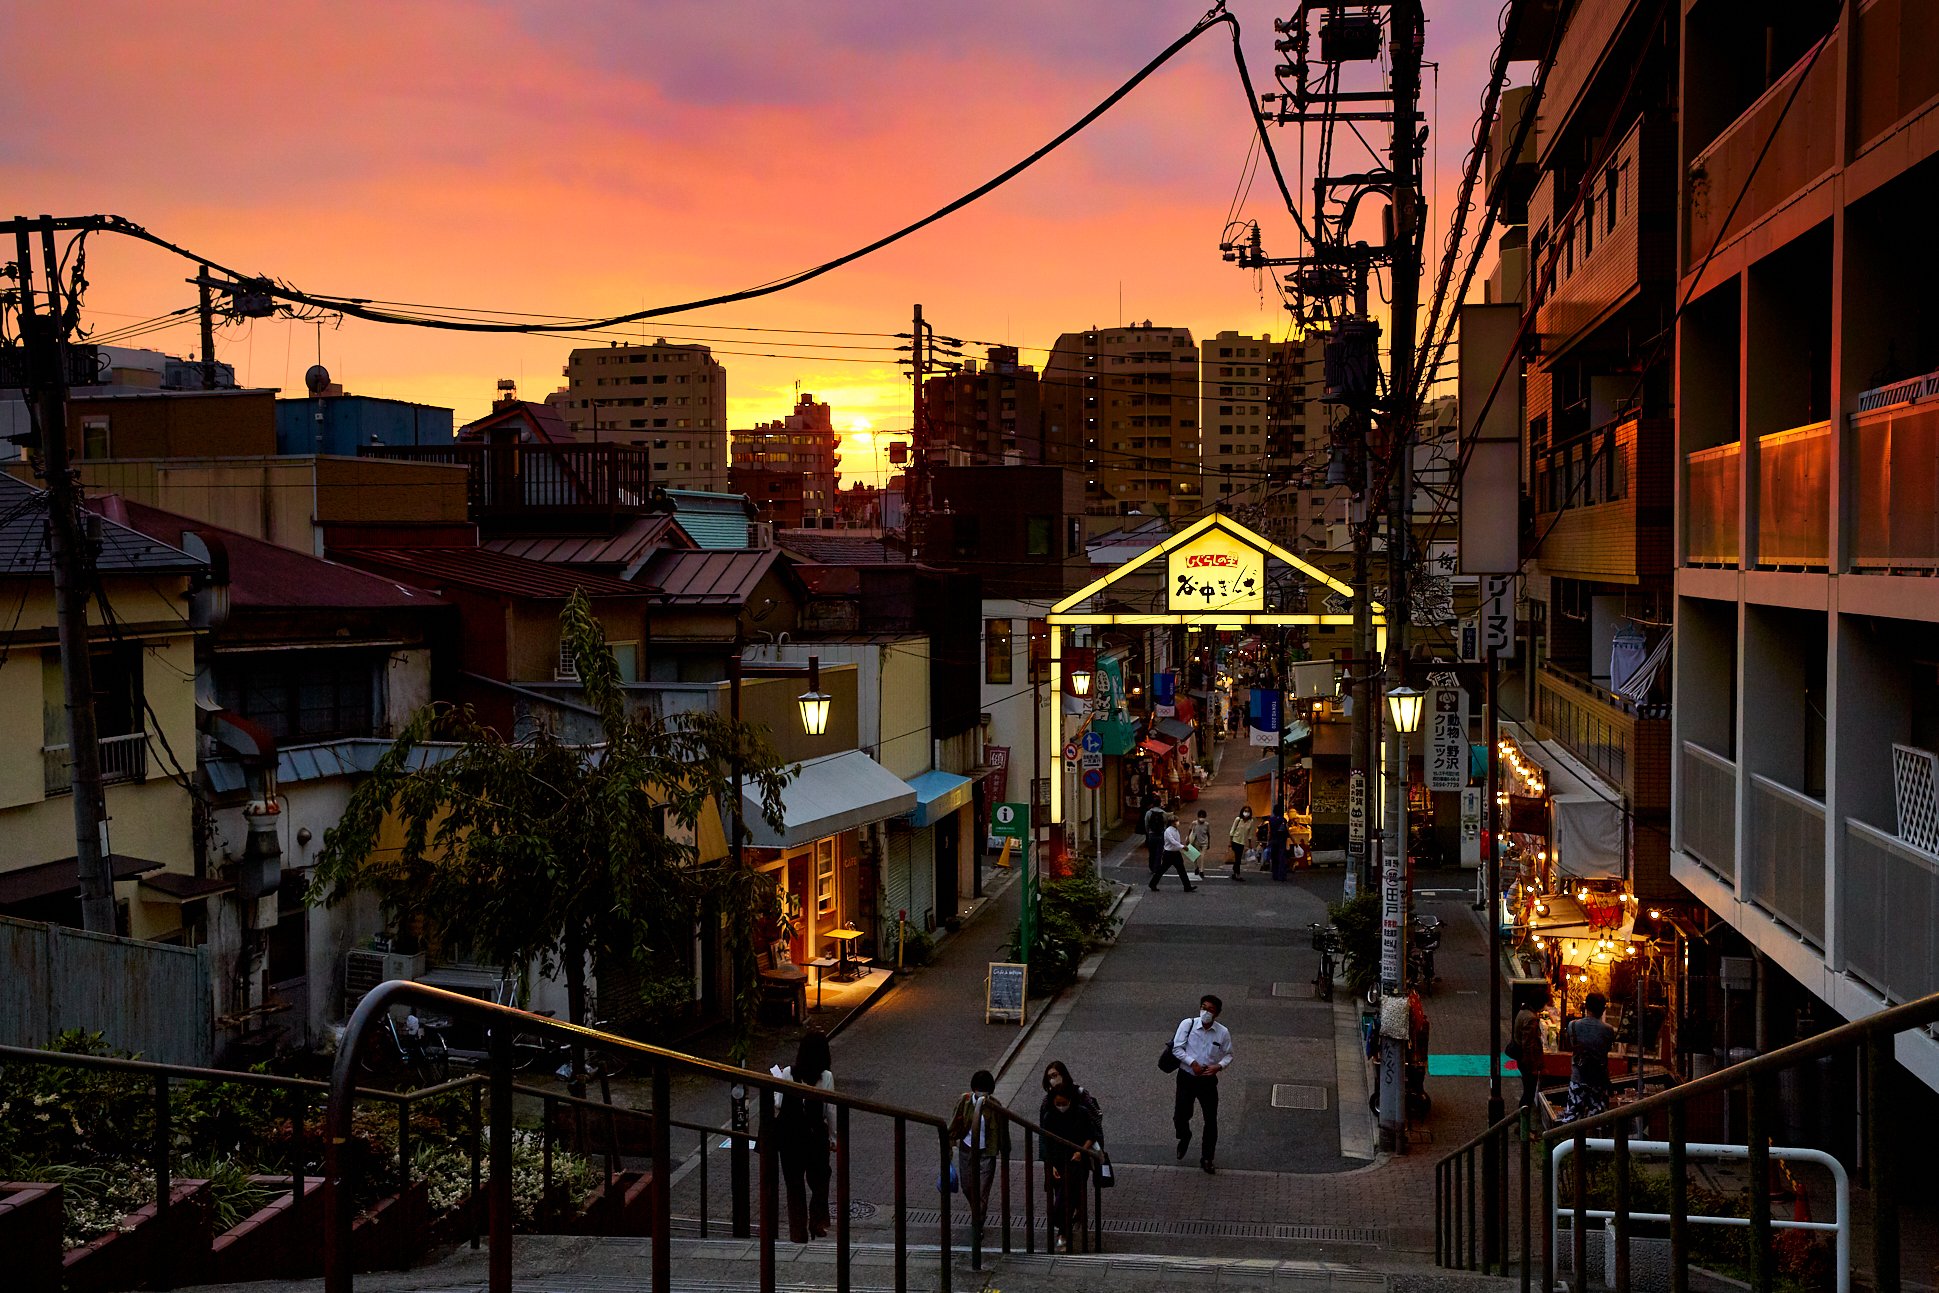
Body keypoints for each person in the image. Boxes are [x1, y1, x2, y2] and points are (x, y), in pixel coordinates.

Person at [770, 1028, 836, 1242]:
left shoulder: (788, 1073)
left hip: (790, 1138)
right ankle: (817, 1221)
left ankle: (797, 1232)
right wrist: (834, 1138)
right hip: (815, 1137)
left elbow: (778, 1103)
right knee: (821, 1180)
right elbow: (830, 1110)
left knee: (794, 1185)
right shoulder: (826, 1077)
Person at [1169, 993, 1233, 1173]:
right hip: (1187, 1077)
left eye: (1210, 1010)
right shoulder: (1187, 1025)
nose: (1206, 1012)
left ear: (1217, 1014)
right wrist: (1192, 1063)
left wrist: (1218, 1067)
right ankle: (1185, 1135)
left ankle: (1207, 1158)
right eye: (1204, 1007)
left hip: (1207, 1080)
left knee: (1210, 1120)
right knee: (1180, 1115)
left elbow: (1229, 1054)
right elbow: (1177, 1048)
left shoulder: (1222, 1032)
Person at [948, 1069, 1009, 1251]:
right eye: (980, 1089)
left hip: (986, 1152)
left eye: (986, 1091)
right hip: (967, 1149)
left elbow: (1003, 1132)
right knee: (968, 1186)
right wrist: (949, 1140)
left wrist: (1005, 1150)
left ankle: (978, 1224)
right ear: (973, 1088)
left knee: (982, 1191)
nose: (983, 1094)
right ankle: (977, 1213)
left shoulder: (995, 1106)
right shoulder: (965, 1101)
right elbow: (954, 1121)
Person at [1040, 1080, 1100, 1252]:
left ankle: (1062, 1232)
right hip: (1057, 1161)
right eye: (1057, 1104)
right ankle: (1063, 1231)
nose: (1061, 1106)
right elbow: (1047, 1141)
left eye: (1063, 1103)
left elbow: (1091, 1135)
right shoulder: (1049, 1116)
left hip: (1077, 1162)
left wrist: (1082, 1151)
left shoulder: (1080, 1113)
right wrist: (1050, 1165)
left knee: (1068, 1196)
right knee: (1061, 1195)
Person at [1563, 992, 1617, 1121]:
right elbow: (1607, 1049)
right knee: (1598, 1119)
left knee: (1572, 1117)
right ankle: (1594, 1140)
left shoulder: (1573, 1026)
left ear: (1586, 1007)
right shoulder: (1608, 1030)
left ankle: (1571, 1141)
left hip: (1578, 1078)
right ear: (1603, 1009)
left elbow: (1569, 1045)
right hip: (1598, 1080)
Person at [1512, 989, 1550, 1115]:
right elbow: (1528, 1045)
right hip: (1527, 1062)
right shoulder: (1531, 1018)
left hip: (1523, 1060)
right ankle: (1523, 1123)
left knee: (1527, 1092)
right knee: (1528, 1094)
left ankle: (1523, 1123)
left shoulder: (1523, 1012)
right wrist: (1534, 1066)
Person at [1151, 812, 1195, 892]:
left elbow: (1177, 841)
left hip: (1176, 853)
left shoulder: (1175, 830)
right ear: (1172, 822)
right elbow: (1172, 841)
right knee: (1162, 870)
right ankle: (1152, 884)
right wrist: (1182, 847)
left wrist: (1181, 845)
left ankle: (1187, 886)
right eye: (1176, 821)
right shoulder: (1168, 831)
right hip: (1169, 854)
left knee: (1182, 870)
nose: (1178, 822)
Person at [1141, 795, 1166, 879]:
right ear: (1159, 803)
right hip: (1160, 835)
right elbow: (1165, 825)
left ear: (1152, 803)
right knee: (1159, 852)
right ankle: (1157, 867)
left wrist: (1148, 833)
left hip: (1152, 835)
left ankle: (1151, 867)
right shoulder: (1163, 813)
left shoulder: (1149, 813)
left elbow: (1146, 824)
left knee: (1152, 852)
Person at [1225, 806, 1252, 882]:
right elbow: (1232, 830)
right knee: (1238, 859)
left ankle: (1235, 872)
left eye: (1248, 811)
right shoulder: (1238, 819)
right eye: (1245, 811)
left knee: (1238, 858)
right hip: (1235, 841)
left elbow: (1249, 833)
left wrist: (1250, 843)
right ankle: (1238, 874)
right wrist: (1230, 841)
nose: (1246, 813)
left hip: (1242, 842)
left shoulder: (1250, 821)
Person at [1267, 806, 1291, 882]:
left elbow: (1269, 832)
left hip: (1274, 840)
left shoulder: (1271, 820)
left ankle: (1275, 875)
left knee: (1274, 858)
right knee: (1282, 858)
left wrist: (1268, 841)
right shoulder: (1283, 820)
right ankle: (1282, 875)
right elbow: (1287, 832)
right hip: (1281, 841)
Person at [1187, 809, 1212, 880]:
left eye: (1203, 816)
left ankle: (1202, 871)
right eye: (1200, 816)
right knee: (1194, 855)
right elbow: (1189, 831)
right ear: (1198, 817)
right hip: (1195, 842)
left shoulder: (1207, 824)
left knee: (1202, 857)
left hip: (1204, 842)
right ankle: (1196, 868)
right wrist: (1188, 839)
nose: (1202, 818)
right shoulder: (1194, 823)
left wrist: (1209, 843)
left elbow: (1208, 834)